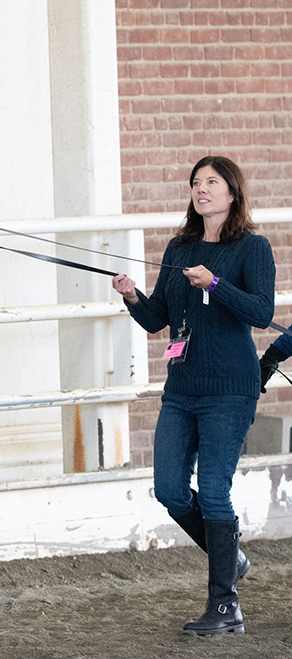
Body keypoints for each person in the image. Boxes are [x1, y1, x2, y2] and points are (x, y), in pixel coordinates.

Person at [112, 155, 274, 637]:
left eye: (212, 182)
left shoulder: (252, 247)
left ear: (232, 192)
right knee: (169, 490)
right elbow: (158, 316)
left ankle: (225, 607)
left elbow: (261, 313)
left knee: (216, 491)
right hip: (182, 389)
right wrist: (131, 296)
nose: (202, 189)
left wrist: (215, 283)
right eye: (196, 183)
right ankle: (232, 558)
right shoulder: (179, 248)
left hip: (230, 389)